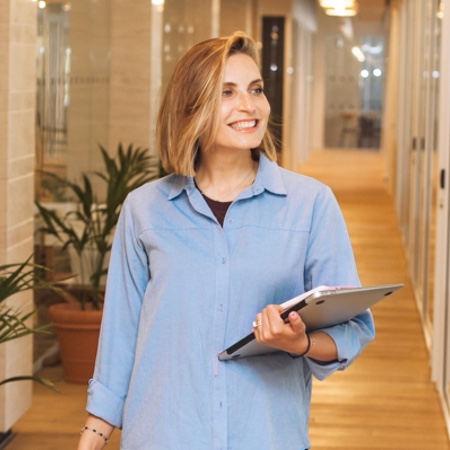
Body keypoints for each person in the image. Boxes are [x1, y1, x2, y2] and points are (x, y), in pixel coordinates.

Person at [77, 31, 375, 450]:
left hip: (267, 437)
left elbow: (353, 330)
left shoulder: (310, 205)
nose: (249, 106)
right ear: (192, 106)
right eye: (227, 93)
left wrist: (300, 342)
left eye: (256, 90)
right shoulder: (145, 209)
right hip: (162, 435)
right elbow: (121, 334)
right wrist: (94, 431)